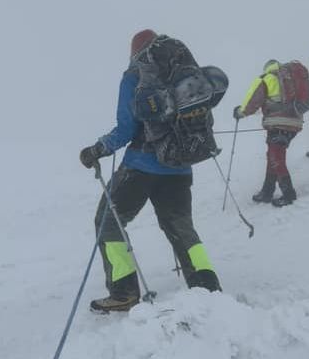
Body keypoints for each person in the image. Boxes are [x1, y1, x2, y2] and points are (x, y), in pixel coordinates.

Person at [79, 29, 221, 313]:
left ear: (136, 53)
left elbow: (126, 129)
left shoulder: (135, 76)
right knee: (180, 225)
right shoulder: (187, 78)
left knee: (108, 222)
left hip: (142, 168)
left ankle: (124, 291)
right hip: (180, 167)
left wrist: (96, 150)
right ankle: (206, 284)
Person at [233, 60, 302, 207]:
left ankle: (288, 194)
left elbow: (253, 101)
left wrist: (240, 112)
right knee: (274, 154)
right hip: (294, 124)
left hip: (278, 122)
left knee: (276, 157)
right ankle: (267, 191)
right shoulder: (291, 79)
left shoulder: (267, 78)